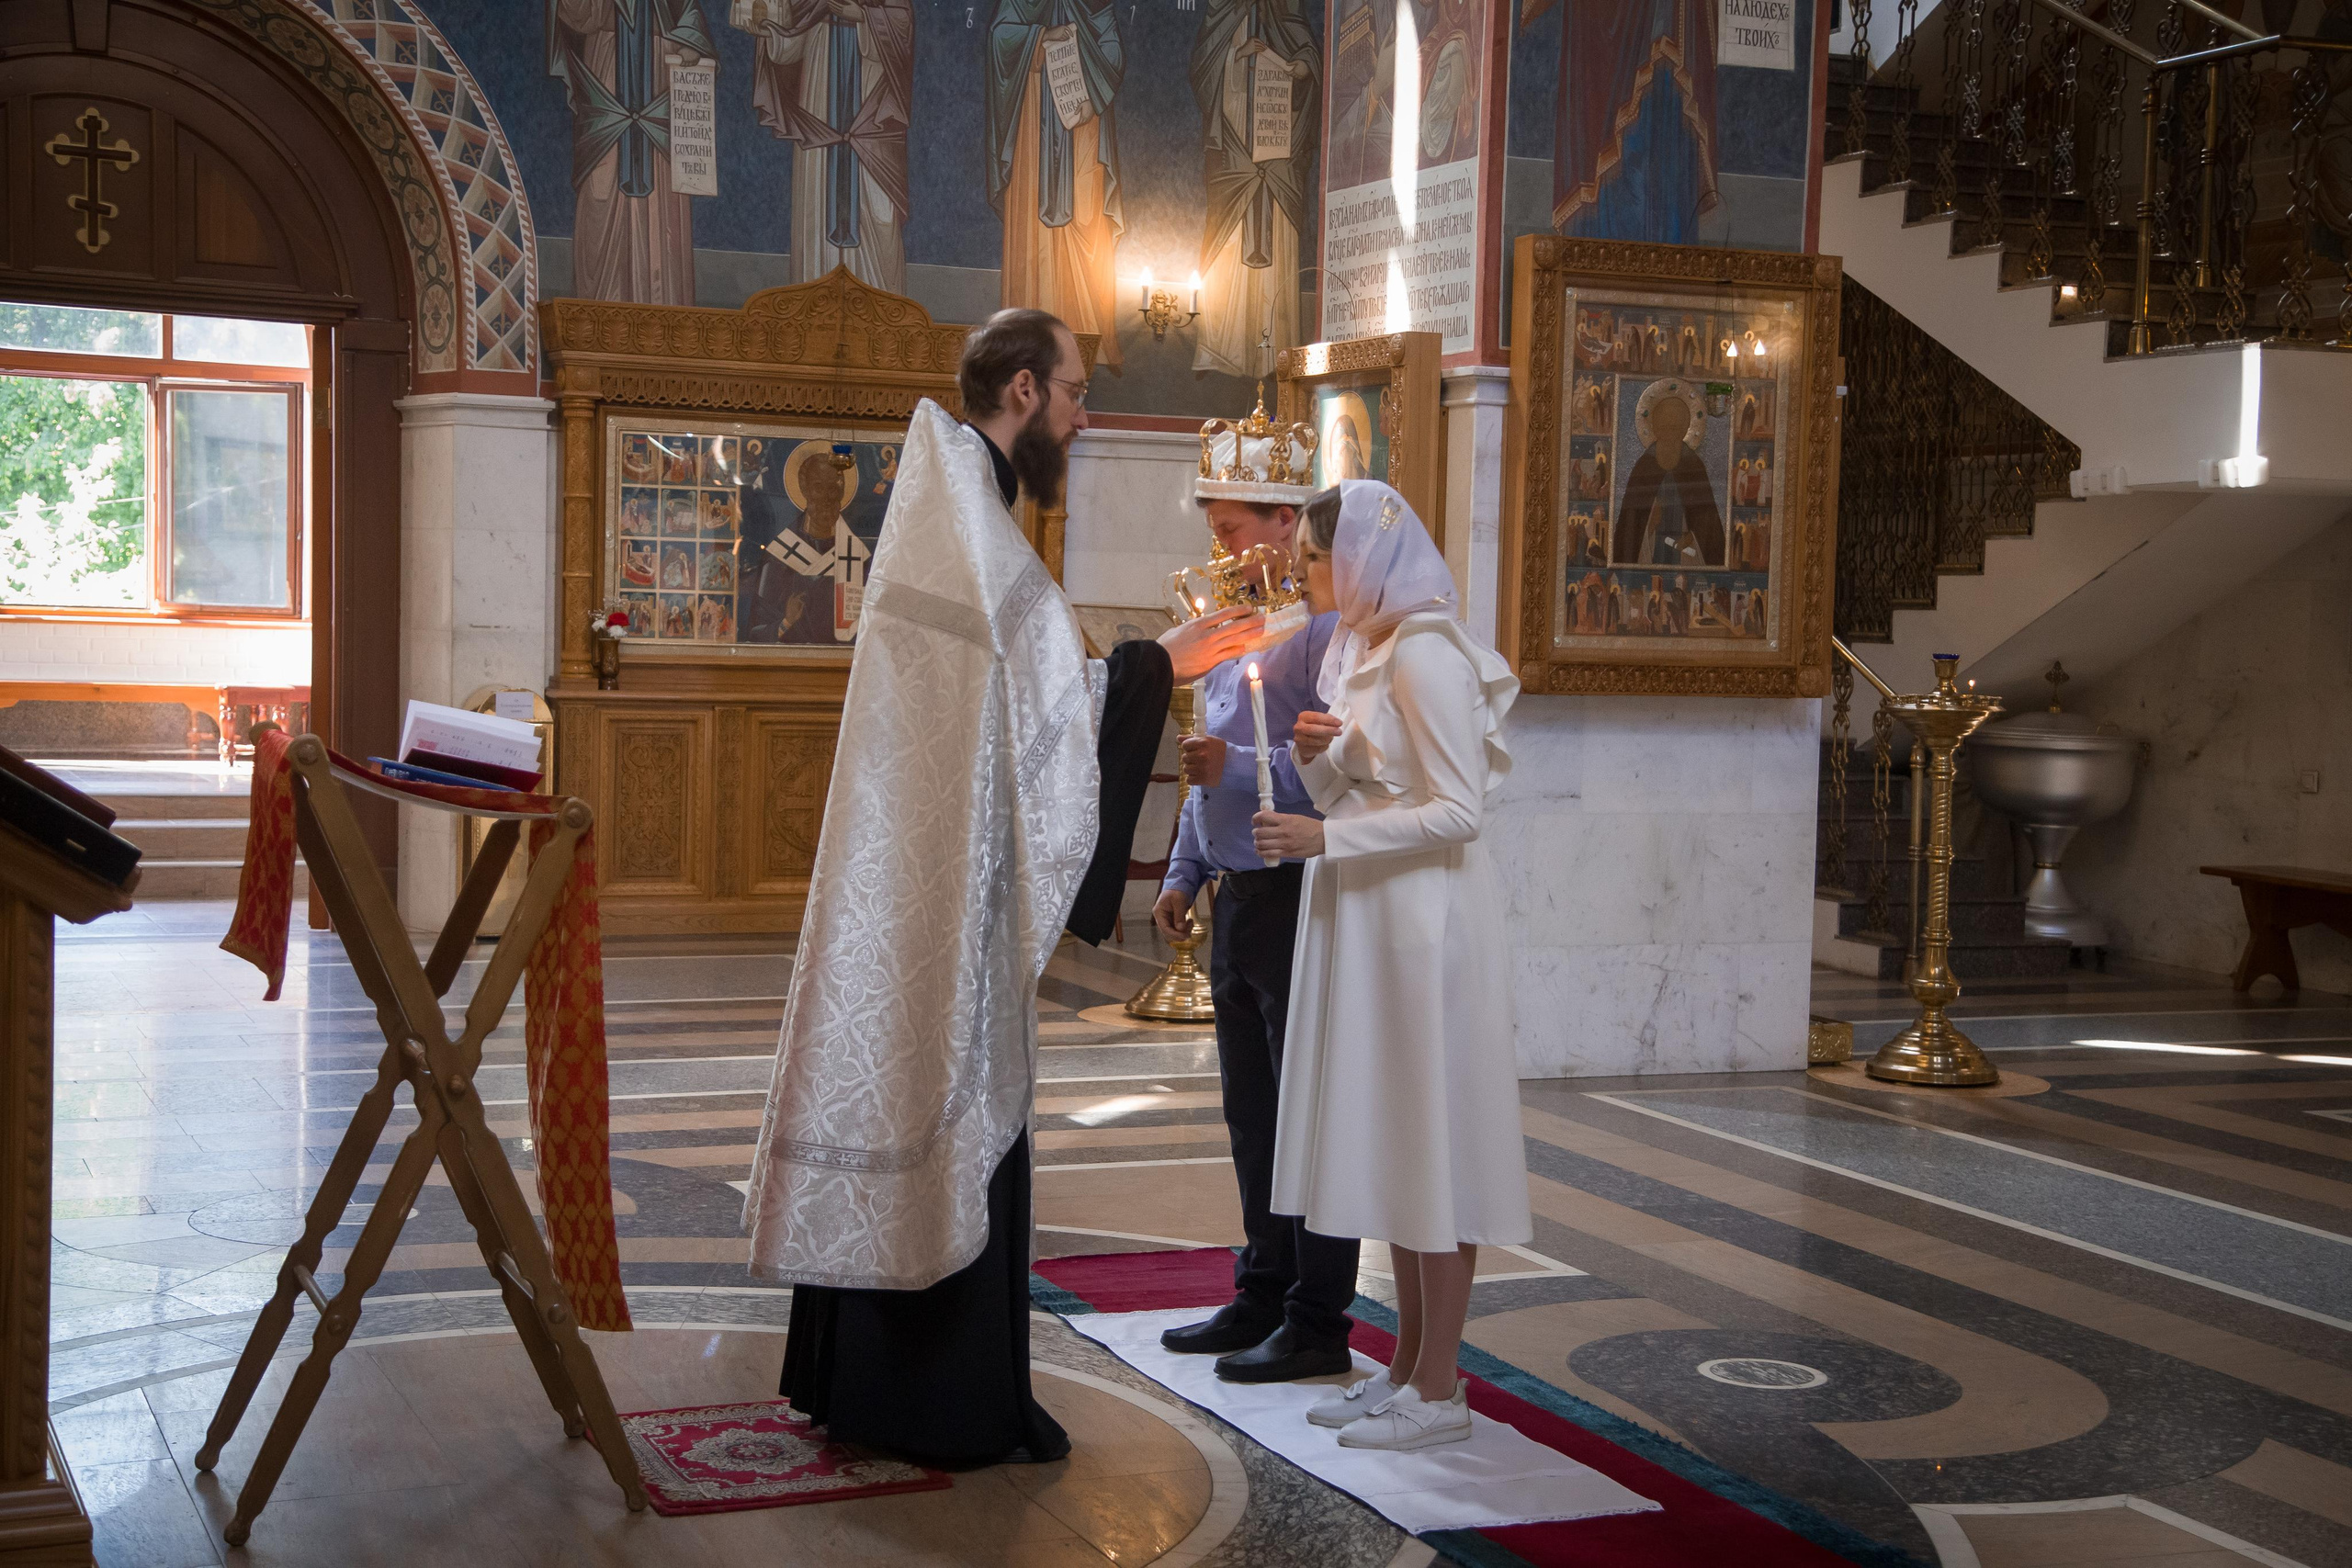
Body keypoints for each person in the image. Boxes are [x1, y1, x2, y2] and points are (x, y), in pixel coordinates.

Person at [741, 307, 1261, 1466]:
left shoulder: (956, 509)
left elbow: (1018, 703)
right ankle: (936, 1403)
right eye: (1075, 393)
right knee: (952, 1103)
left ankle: (862, 1383)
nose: (1082, 417)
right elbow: (1051, 707)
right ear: (1022, 389)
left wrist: (1127, 672)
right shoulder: (969, 523)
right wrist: (1158, 666)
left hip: (934, 868)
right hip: (945, 890)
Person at [1251, 479, 1530, 1452]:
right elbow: (1366, 784)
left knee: (1436, 1147)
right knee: (1406, 1141)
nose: (1303, 574)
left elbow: (1458, 812)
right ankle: (1407, 1371)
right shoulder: (1363, 646)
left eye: (1316, 560)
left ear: (1366, 560)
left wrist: (1322, 839)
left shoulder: (1426, 654)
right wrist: (1316, 758)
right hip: (1375, 914)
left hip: (1425, 925)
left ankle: (1442, 1388)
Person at [1150, 424, 1360, 1385]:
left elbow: (1344, 769)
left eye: (1236, 530)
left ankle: (1318, 1315)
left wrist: (1234, 767)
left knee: (1306, 1108)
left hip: (1306, 890)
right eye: (1215, 532)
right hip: (1240, 894)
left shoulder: (1326, 631)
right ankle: (1261, 1285)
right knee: (1251, 1108)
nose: (1223, 553)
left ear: (1288, 521)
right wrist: (1183, 868)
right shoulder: (1232, 618)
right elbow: (1207, 746)